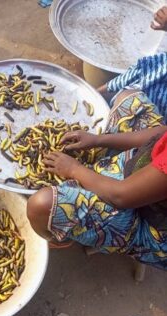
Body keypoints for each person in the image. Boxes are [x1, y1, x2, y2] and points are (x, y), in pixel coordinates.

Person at [27, 90, 167, 269]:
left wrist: (74, 169)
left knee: (41, 205)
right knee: (128, 98)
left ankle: (62, 236)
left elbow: (120, 196)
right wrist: (98, 140)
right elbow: (160, 135)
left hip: (150, 225)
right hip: (143, 170)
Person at [97, 6, 167, 120]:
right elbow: (144, 71)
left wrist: (100, 139)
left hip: (149, 126)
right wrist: (96, 92)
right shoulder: (159, 64)